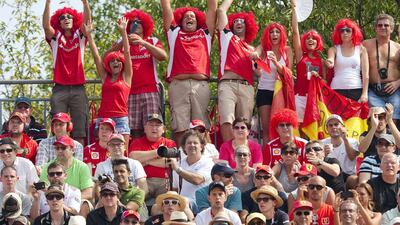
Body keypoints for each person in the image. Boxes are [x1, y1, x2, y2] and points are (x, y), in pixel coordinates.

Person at [159, 0, 217, 145]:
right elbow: (166, 7)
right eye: (186, 17)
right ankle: (181, 160)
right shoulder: (174, 33)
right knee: (180, 127)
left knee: (201, 127)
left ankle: (205, 161)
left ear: (198, 22)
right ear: (180, 21)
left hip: (200, 85)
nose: (189, 18)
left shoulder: (205, 33)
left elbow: (212, 9)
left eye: (193, 17)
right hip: (179, 85)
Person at [42, 0, 92, 145]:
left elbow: (88, 23)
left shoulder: (80, 36)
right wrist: (48, 3)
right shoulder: (56, 37)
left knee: (79, 131)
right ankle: (58, 164)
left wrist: (85, 3)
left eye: (69, 16)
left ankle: (80, 164)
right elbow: (46, 27)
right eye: (62, 17)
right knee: (58, 129)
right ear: (58, 22)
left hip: (78, 88)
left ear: (75, 19)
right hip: (60, 88)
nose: (66, 19)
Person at [84, 16, 132, 146]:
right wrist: (89, 35)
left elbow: (127, 52)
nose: (115, 62)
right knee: (102, 151)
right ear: (108, 65)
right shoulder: (105, 77)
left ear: (122, 64)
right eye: (112, 61)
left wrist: (123, 32)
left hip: (121, 119)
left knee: (122, 153)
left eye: (118, 60)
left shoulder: (127, 76)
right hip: (103, 118)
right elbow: (96, 57)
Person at [216, 0, 259, 142]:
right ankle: (229, 152)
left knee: (244, 125)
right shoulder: (227, 37)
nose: (239, 23)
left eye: (242, 21)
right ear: (231, 25)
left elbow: (259, 74)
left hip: (247, 87)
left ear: (248, 26)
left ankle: (242, 152)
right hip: (227, 84)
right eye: (236, 21)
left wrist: (256, 63)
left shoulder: (253, 49)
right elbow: (221, 11)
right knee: (227, 120)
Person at [253, 22, 293, 143]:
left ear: (282, 35)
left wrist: (276, 62)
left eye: (277, 32)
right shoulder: (263, 48)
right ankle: (267, 159)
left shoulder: (287, 50)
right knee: (267, 129)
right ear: (267, 35)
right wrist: (255, 57)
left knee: (282, 127)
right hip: (264, 91)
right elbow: (255, 54)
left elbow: (289, 73)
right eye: (271, 32)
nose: (274, 34)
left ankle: (284, 155)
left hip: (280, 92)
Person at [290, 0, 326, 124]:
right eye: (308, 38)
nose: (310, 40)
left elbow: (326, 81)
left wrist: (319, 78)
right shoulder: (301, 56)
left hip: (316, 99)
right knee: (300, 127)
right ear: (304, 41)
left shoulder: (322, 59)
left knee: (315, 129)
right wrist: (294, 8)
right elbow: (295, 32)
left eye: (314, 38)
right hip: (300, 97)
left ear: (318, 42)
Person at [129, 114, 176, 201]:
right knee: (137, 198)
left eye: (158, 125)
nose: (154, 128)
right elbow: (132, 158)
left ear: (163, 129)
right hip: (143, 180)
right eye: (151, 125)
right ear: (145, 128)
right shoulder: (137, 142)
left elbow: (170, 163)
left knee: (166, 201)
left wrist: (146, 161)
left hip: (164, 181)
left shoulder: (170, 143)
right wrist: (159, 152)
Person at [363, 14, 400, 122]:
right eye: (379, 25)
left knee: (395, 122)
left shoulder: (398, 47)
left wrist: (398, 83)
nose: (383, 27)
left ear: (391, 29)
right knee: (377, 123)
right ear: (375, 28)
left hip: (394, 90)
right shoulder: (365, 45)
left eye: (386, 25)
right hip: (374, 91)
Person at [326, 18, 369, 102]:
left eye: (348, 30)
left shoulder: (361, 49)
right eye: (342, 31)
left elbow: (365, 74)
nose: (345, 33)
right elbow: (330, 60)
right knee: (336, 115)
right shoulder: (333, 49)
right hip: (336, 89)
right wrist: (329, 62)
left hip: (356, 89)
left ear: (353, 32)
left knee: (356, 116)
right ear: (338, 33)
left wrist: (364, 93)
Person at [40, 135, 93, 202]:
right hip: (53, 201)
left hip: (75, 203)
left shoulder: (82, 167)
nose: (60, 151)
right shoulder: (48, 166)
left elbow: (88, 193)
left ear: (73, 150)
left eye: (63, 148)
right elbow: (42, 189)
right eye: (57, 148)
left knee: (85, 203)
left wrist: (68, 201)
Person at [170, 130, 214, 209]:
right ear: (184, 147)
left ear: (201, 146)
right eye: (189, 143)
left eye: (195, 143)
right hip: (181, 203)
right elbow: (175, 189)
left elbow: (197, 180)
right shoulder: (179, 164)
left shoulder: (208, 163)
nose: (192, 145)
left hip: (202, 203)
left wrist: (178, 170)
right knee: (157, 207)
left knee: (181, 202)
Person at [321, 114, 359, 182]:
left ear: (342, 126)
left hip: (348, 176)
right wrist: (324, 154)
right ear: (327, 129)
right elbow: (317, 162)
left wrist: (345, 139)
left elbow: (352, 157)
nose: (333, 127)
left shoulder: (352, 141)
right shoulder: (322, 143)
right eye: (330, 125)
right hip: (329, 176)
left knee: (354, 179)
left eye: (336, 124)